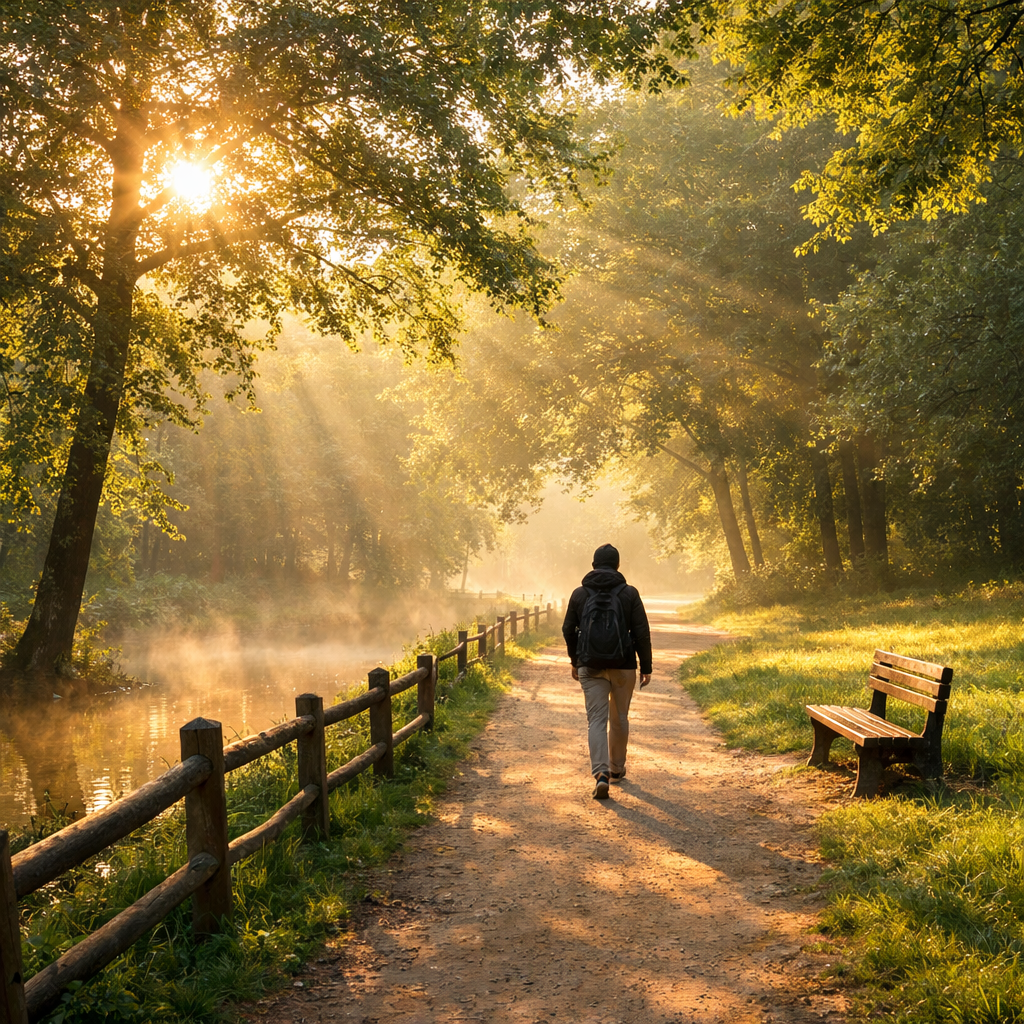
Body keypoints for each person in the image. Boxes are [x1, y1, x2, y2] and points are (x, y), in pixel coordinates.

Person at [562, 543, 652, 800]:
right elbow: (641, 632)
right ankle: (617, 768)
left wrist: (574, 660)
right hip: (623, 665)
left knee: (596, 721)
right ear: (618, 565)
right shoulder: (629, 593)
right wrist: (646, 667)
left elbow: (568, 629)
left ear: (593, 565)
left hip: (590, 665)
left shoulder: (580, 594)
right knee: (620, 717)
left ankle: (601, 774)